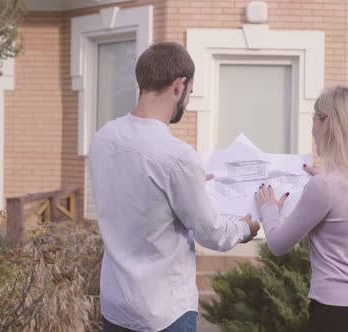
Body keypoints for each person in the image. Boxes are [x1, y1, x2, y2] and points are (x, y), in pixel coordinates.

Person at [89, 42, 260, 332]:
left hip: (116, 305)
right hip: (164, 314)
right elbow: (214, 234)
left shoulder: (104, 137)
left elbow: (137, 190)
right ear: (178, 85)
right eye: (191, 93)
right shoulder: (176, 156)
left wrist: (188, 184)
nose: (188, 101)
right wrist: (244, 229)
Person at [255, 86, 348, 332]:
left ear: (325, 120)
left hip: (333, 315)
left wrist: (269, 208)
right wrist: (330, 176)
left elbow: (277, 244)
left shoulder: (324, 187)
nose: (312, 128)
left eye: (314, 118)